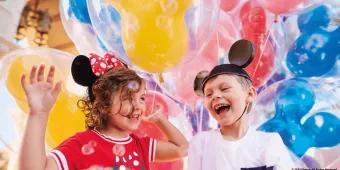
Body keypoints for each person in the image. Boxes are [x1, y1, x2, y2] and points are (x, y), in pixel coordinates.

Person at [18, 53, 188, 170]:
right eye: (128, 98)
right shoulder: (80, 144)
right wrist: (38, 114)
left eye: (142, 98)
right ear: (104, 103)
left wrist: (160, 120)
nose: (138, 106)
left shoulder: (140, 145)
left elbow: (182, 149)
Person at [188, 40, 297, 170]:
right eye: (209, 94)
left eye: (224, 88)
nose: (215, 96)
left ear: (250, 94)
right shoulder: (201, 143)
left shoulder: (268, 143)